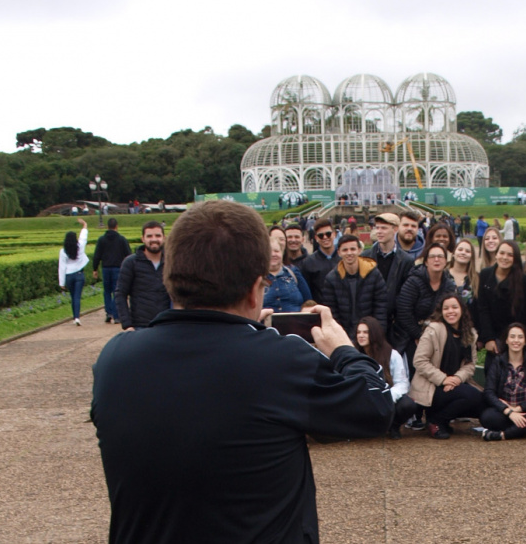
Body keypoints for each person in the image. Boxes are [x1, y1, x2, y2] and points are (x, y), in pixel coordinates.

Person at [91, 200, 392, 543]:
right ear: (253, 290)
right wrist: (343, 350)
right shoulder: (279, 361)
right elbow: (375, 406)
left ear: (170, 280)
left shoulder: (115, 359)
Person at [408, 293, 483, 439]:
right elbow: (419, 361)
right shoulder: (434, 329)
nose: (450, 311)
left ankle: (441, 418)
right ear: (441, 311)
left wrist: (456, 379)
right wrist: (443, 379)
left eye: (454, 307)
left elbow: (470, 364)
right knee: (471, 396)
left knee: (481, 401)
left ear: (462, 309)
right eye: (446, 308)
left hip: (454, 384)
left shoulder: (470, 334)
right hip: (432, 386)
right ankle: (436, 421)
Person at [479, 323, 526, 441]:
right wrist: (509, 412)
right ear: (506, 340)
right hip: (505, 412)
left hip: (525, 411)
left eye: (520, 337)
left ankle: (504, 435)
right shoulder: (498, 362)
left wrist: (518, 409)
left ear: (525, 341)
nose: (516, 340)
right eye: (512, 337)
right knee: (487, 417)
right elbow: (489, 392)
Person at [396, 243, 457, 372]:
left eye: (440, 256)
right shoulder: (413, 281)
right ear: (426, 261)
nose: (436, 259)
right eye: (433, 256)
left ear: (446, 261)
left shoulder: (449, 286)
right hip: (411, 336)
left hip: (438, 336)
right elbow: (403, 312)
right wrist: (420, 335)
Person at [355, 316, 418, 439]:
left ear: (374, 334)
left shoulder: (392, 355)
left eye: (365, 332)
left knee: (408, 405)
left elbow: (402, 383)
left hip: (387, 397)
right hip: (364, 399)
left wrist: (388, 397)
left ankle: (393, 426)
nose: (361, 335)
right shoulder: (354, 354)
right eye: (358, 332)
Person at [321, 235, 388, 338]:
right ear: (339, 252)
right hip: (343, 335)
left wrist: (377, 334)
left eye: (352, 249)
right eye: (345, 250)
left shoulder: (374, 274)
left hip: (370, 333)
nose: (349, 253)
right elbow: (332, 312)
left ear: (359, 250)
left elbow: (381, 307)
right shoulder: (331, 279)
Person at [362, 213, 414, 341]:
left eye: (384, 228)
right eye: (377, 227)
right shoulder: (364, 257)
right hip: (369, 321)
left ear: (395, 229)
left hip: (395, 325)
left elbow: (406, 295)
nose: (379, 231)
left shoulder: (406, 261)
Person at [476, 240, 526, 354]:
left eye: (510, 255)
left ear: (515, 258)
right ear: (496, 254)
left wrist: (516, 338)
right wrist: (488, 338)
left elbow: (525, 313)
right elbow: (483, 308)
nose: (505, 257)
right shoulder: (485, 274)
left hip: (514, 336)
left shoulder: (523, 280)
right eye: (502, 253)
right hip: (493, 335)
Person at [116, 221, 170, 330]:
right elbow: (120, 293)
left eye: (158, 236)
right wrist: (127, 324)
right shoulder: (131, 263)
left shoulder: (172, 262)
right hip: (141, 325)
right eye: (149, 236)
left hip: (166, 325)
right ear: (143, 239)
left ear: (164, 238)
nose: (154, 239)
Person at [92, 217, 131, 324]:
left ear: (107, 226)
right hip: (118, 268)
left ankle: (108, 312)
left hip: (105, 268)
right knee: (116, 291)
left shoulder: (101, 239)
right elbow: (128, 254)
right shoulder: (121, 239)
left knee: (107, 291)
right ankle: (116, 314)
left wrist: (95, 268)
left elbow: (97, 255)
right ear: (116, 226)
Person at [264, 238, 312, 313]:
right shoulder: (257, 277)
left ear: (282, 253)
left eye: (276, 251)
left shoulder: (293, 272)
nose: (273, 254)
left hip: (295, 319)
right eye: (269, 251)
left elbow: (308, 301)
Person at [301, 218, 339, 303]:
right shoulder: (308, 262)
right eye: (321, 235)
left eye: (328, 234)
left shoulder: (343, 258)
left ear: (334, 234)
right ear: (316, 238)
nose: (325, 237)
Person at [59, 218, 89, 326]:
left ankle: (75, 316)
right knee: (77, 297)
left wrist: (61, 282)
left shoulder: (63, 251)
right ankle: (77, 317)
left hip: (69, 275)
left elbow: (62, 267)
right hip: (79, 274)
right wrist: (84, 224)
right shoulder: (79, 247)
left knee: (73, 297)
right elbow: (83, 237)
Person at [449, 239, 480, 322]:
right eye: (460, 249)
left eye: (467, 251)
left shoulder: (477, 278)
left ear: (471, 257)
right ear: (453, 253)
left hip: (469, 324)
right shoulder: (443, 275)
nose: (463, 253)